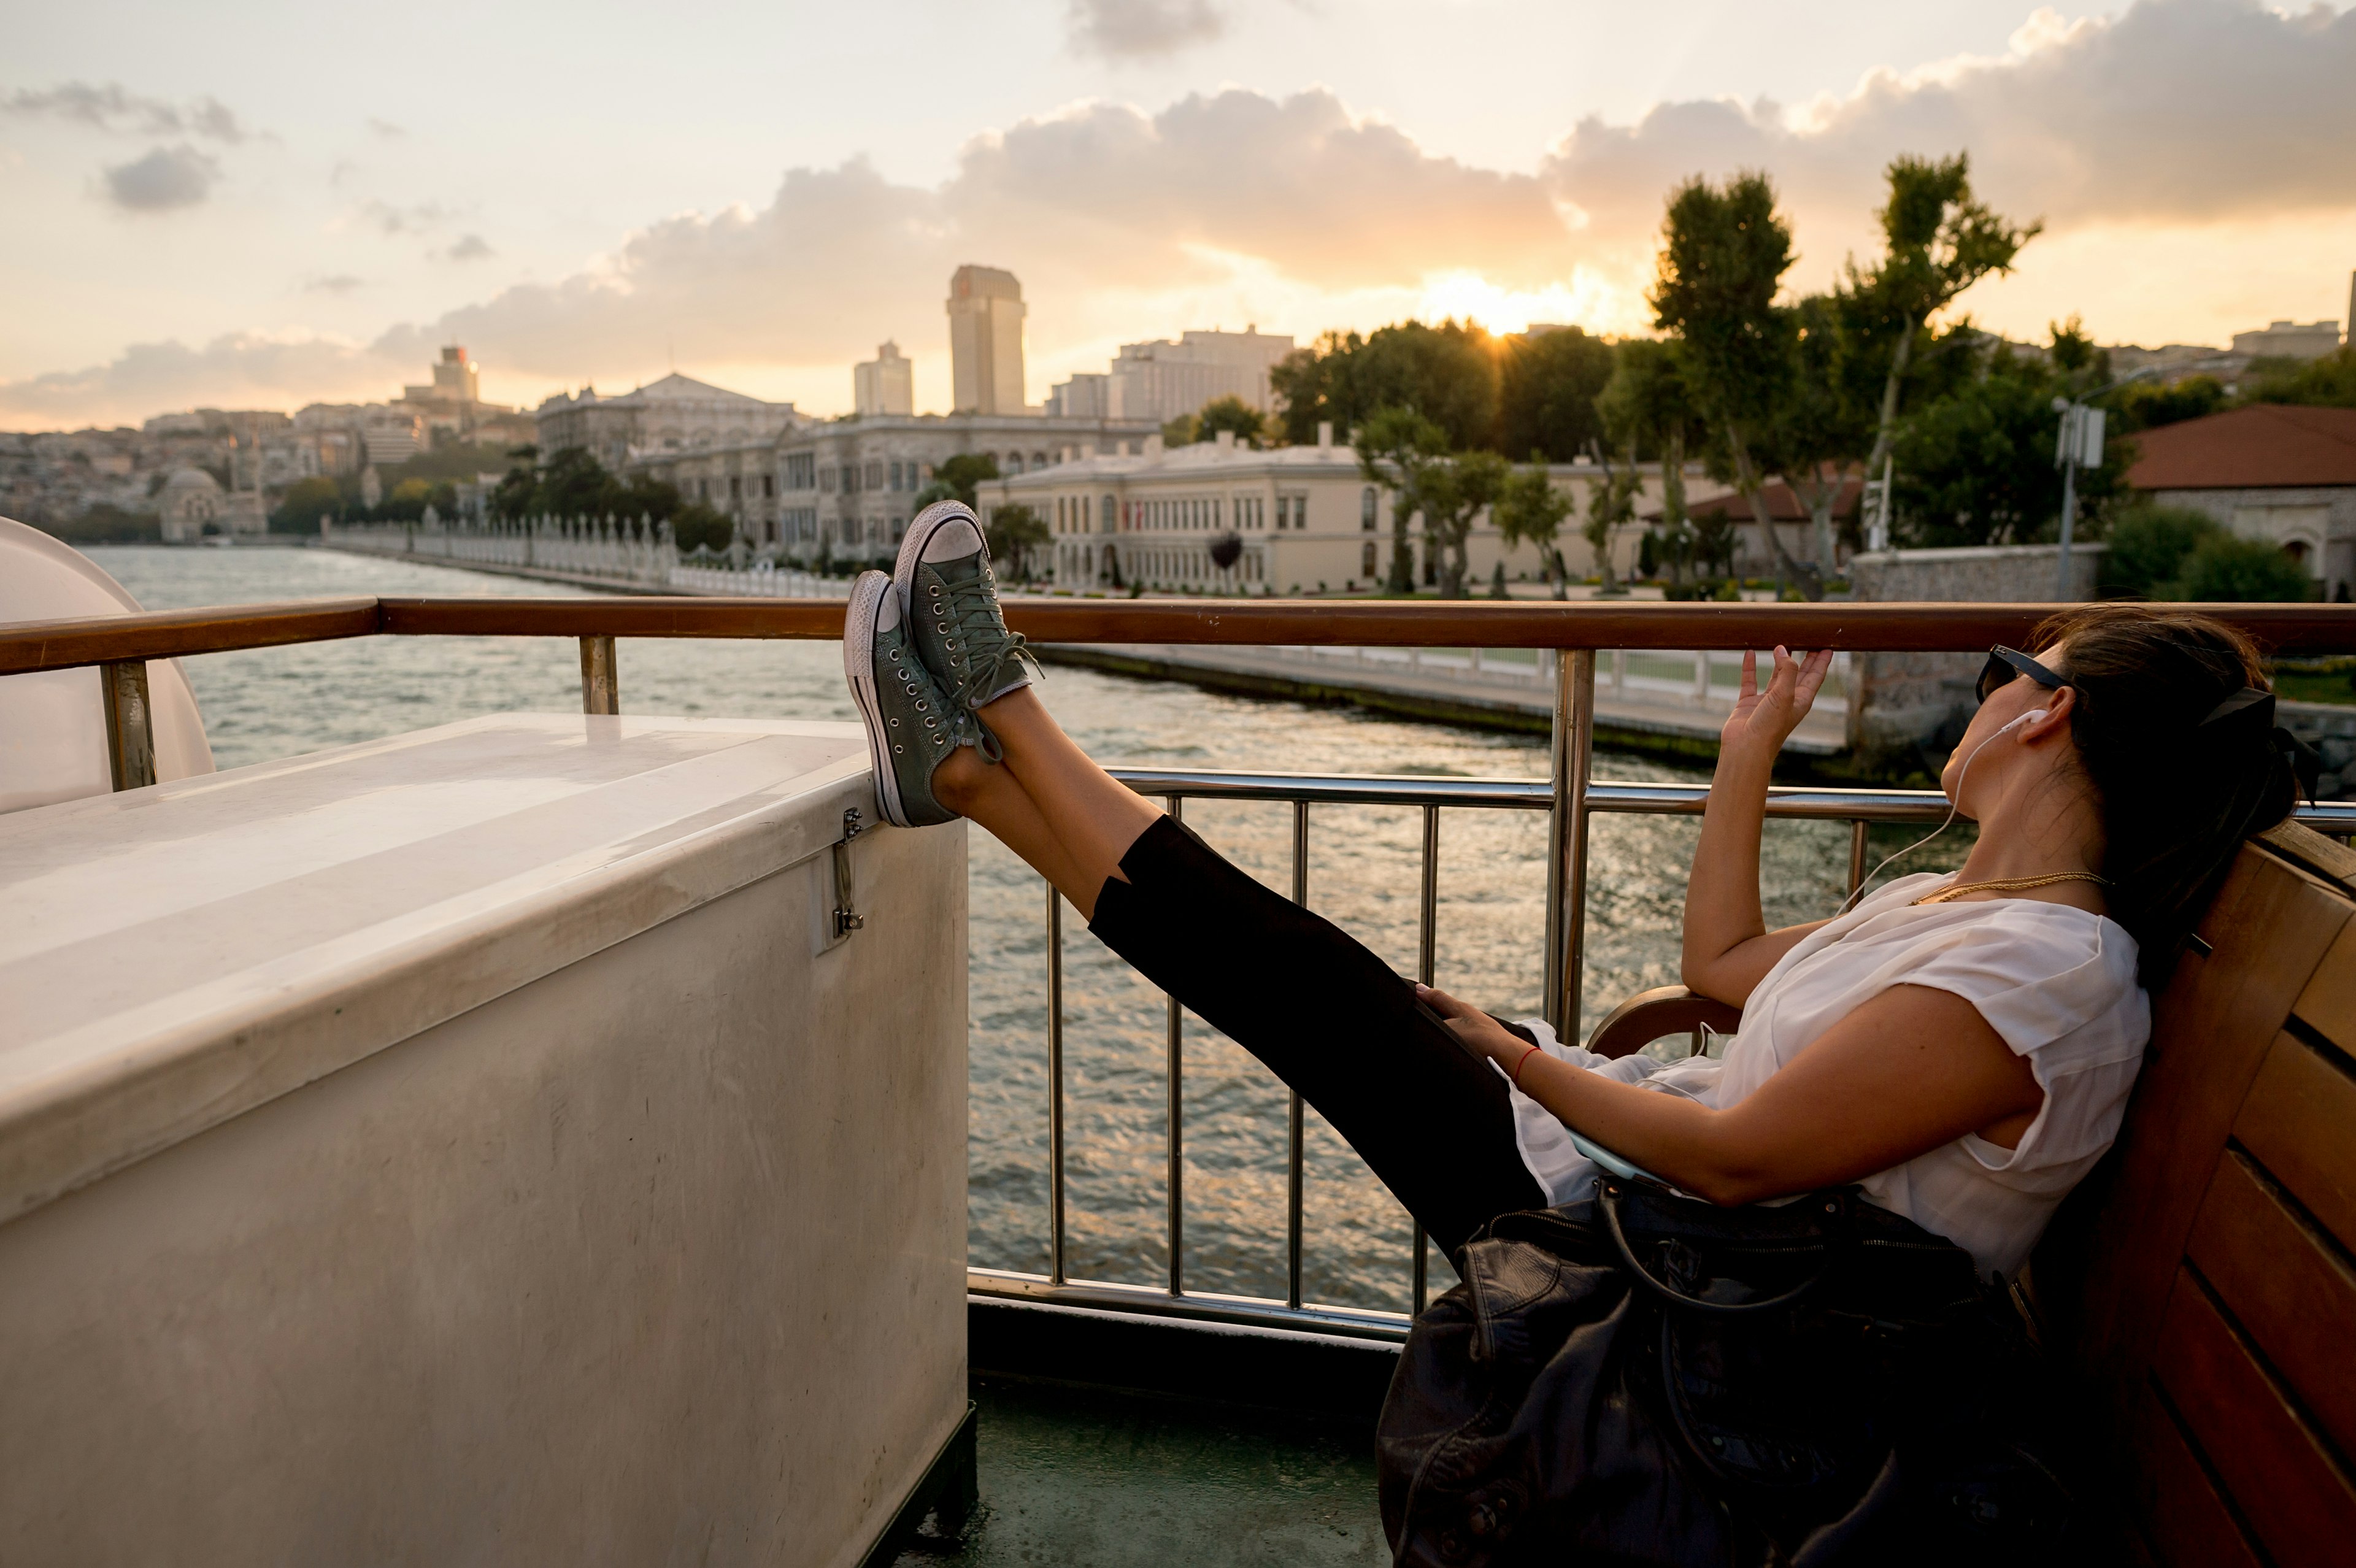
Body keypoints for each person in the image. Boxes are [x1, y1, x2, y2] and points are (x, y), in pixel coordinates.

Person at [844, 501, 2305, 1283]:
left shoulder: (2045, 977)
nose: (1992, 696)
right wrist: (1748, 753)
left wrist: (1519, 1054)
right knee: (1307, 987)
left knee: (1312, 985)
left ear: (2046, 718)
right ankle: (970, 775)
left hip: (1703, 1274)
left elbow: (1740, 1162)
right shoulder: (1977, 917)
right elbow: (1726, 960)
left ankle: (1003, 710)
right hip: (1667, 1218)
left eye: (2008, 676)